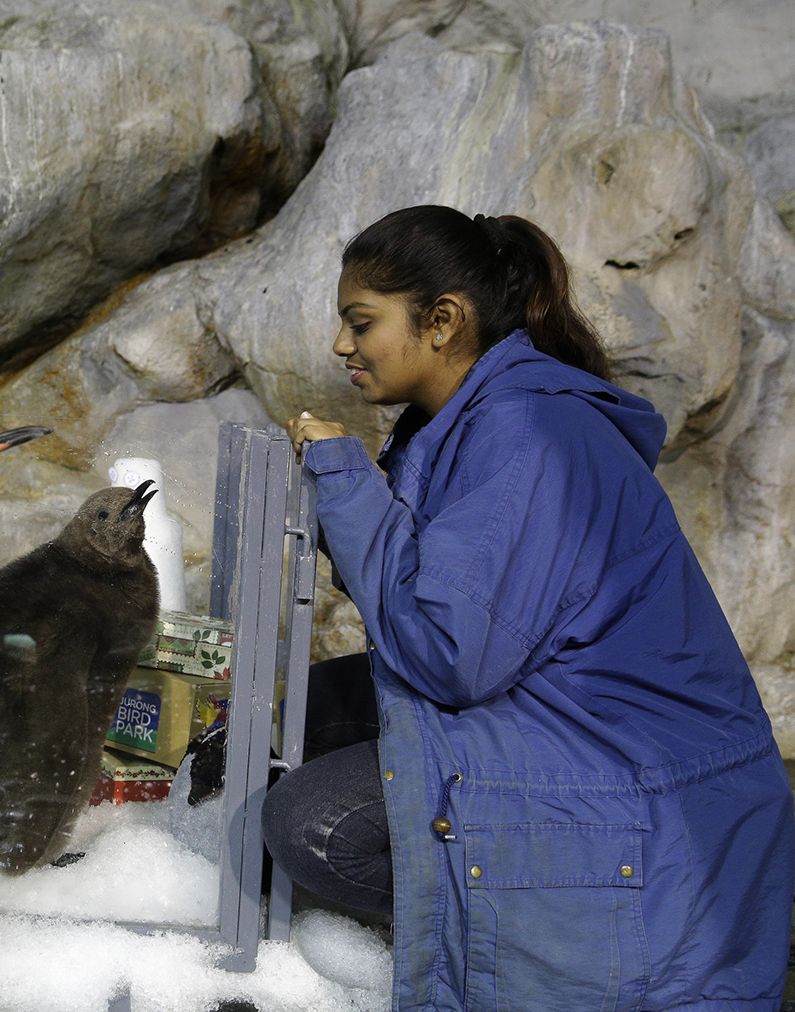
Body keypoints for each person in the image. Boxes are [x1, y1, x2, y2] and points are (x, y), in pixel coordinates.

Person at [261, 205, 794, 1011]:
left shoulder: (529, 435)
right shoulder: (467, 423)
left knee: (313, 820)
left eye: (360, 322)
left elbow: (447, 653)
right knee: (314, 709)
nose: (343, 346)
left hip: (635, 788)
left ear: (443, 323)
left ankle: (480, 930)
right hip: (568, 721)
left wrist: (344, 479)